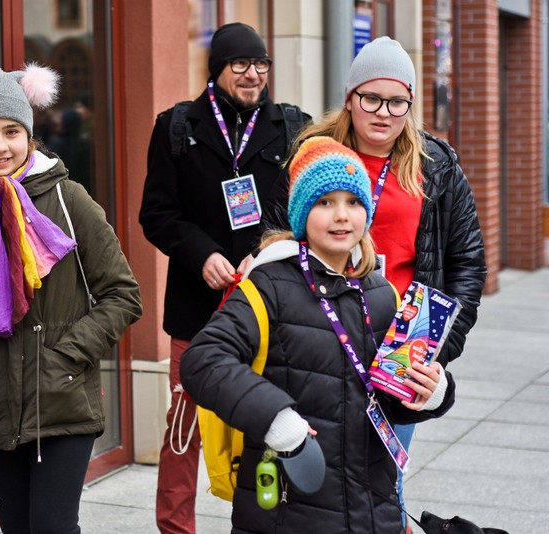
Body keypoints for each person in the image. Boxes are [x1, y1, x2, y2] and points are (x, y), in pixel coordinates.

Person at [260, 36, 487, 529]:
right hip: (320, 342)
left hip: (398, 351)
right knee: (314, 486)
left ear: (410, 104)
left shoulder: (436, 166)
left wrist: (436, 351)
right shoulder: (314, 155)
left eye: (397, 101)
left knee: (385, 484)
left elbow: (468, 263)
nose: (384, 113)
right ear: (350, 97)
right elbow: (275, 237)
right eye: (371, 98)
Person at [180, 136, 456, 533]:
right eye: (325, 202)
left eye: (354, 202)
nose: (342, 216)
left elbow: (388, 399)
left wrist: (432, 392)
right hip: (289, 510)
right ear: (301, 211)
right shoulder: (268, 286)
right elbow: (203, 361)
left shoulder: (382, 294)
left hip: (372, 511)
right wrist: (275, 418)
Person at [0, 47, 142, 534]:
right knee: (17, 528)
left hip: (63, 402)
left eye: (11, 132)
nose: (0, 146)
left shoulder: (69, 199)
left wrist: (65, 358)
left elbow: (122, 294)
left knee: (52, 527)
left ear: (28, 135)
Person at [138, 22, 308, 533]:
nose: (253, 74)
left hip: (269, 306)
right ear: (217, 70)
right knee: (184, 431)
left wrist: (267, 255)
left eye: (261, 64)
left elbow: (305, 215)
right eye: (241, 64)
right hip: (196, 306)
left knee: (270, 427)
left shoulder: (293, 127)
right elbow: (156, 213)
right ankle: (176, 527)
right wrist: (202, 254)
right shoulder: (177, 126)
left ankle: (263, 524)